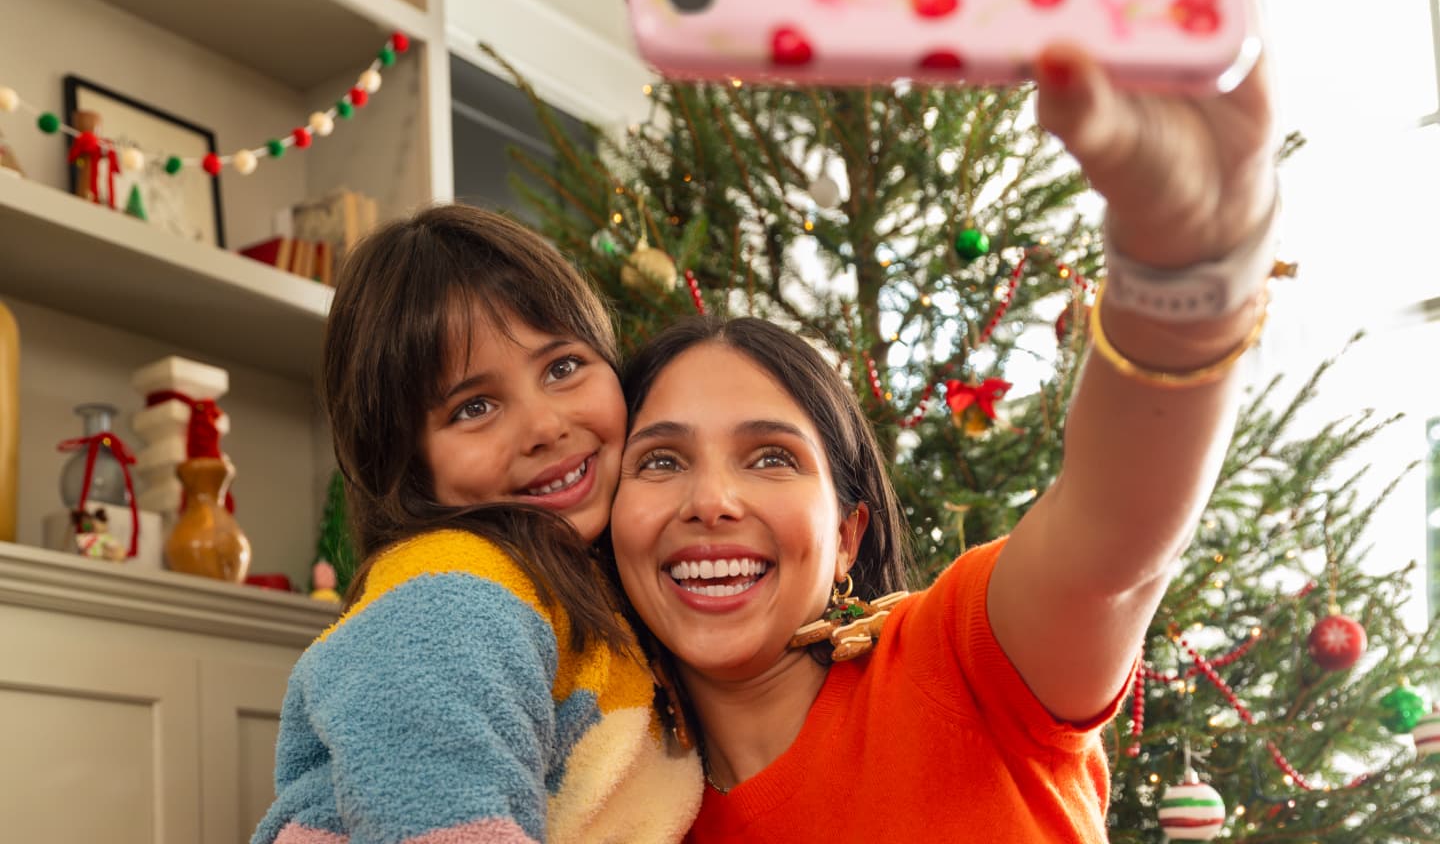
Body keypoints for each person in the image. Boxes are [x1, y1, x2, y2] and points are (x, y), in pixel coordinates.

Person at [607, 45, 1280, 842]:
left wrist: (1189, 264)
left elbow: (1117, 534)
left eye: (772, 458)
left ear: (848, 535)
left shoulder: (962, 661)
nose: (711, 501)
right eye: (660, 460)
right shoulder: (600, 814)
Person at [251, 205, 701, 844]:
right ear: (406, 462)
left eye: (563, 367)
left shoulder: (590, 582)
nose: (544, 427)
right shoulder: (447, 592)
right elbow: (444, 823)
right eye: (475, 407)